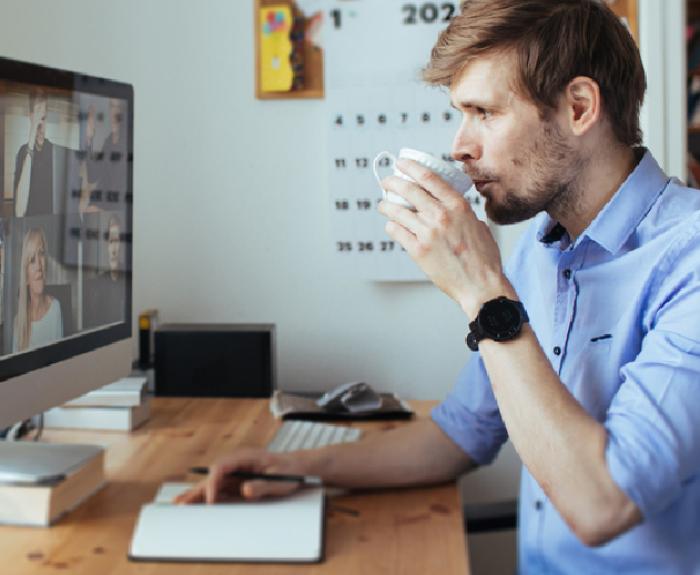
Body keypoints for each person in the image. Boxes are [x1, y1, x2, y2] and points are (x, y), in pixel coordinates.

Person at [178, 1, 700, 572]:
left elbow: (604, 505)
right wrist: (299, 469)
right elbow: (460, 435)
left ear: (578, 107)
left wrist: (482, 291)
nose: (459, 145)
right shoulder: (541, 248)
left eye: (484, 112)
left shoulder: (688, 259)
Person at [13, 228, 63, 352]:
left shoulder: (55, 308)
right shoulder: (18, 323)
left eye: (41, 254)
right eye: (32, 260)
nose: (39, 266)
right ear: (25, 277)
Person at [13, 89, 53, 217]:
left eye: (44, 116)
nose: (41, 122)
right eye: (37, 115)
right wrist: (32, 136)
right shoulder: (22, 152)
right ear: (31, 116)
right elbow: (19, 211)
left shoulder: (54, 151)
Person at [83, 215, 126, 328]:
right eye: (111, 241)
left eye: (117, 241)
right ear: (107, 245)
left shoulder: (130, 279)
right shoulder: (99, 283)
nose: (113, 250)